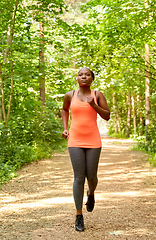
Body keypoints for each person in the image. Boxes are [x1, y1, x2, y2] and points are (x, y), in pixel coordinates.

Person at [62, 67, 110, 231]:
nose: (84, 76)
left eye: (87, 74)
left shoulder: (98, 95)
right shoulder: (70, 95)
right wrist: (65, 127)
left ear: (92, 79)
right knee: (79, 177)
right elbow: (65, 110)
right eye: (81, 74)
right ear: (77, 78)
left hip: (93, 139)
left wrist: (94, 105)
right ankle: (78, 216)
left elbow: (107, 115)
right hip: (75, 139)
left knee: (92, 176)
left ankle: (91, 194)